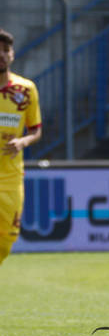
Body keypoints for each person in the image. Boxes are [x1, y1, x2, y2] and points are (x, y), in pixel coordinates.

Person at [0, 28, 42, 265]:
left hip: (10, 178)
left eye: (6, 50)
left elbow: (36, 129)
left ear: (13, 54)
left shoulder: (25, 90)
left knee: (7, 241)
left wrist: (22, 141)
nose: (2, 55)